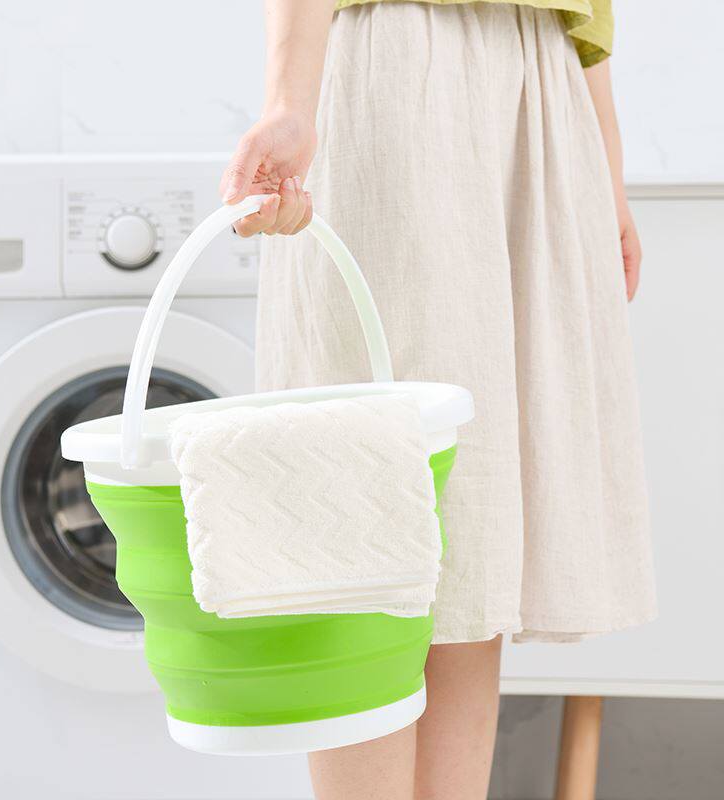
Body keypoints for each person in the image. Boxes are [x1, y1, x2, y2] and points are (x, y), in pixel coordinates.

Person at [219, 1, 657, 798]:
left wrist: (606, 167)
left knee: (469, 530)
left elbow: (588, 18)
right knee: (368, 520)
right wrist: (289, 100)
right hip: (398, 66)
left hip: (541, 85)